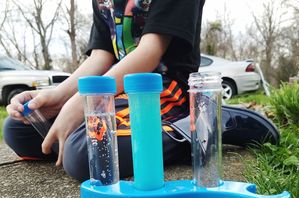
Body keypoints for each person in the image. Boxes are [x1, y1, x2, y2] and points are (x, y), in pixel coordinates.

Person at [4, 0, 205, 181]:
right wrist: (58, 98)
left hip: (161, 89)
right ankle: (78, 139)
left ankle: (195, 130)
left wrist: (79, 105)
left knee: (90, 155)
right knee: (18, 129)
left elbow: (149, 52)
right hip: (115, 87)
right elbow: (100, 56)